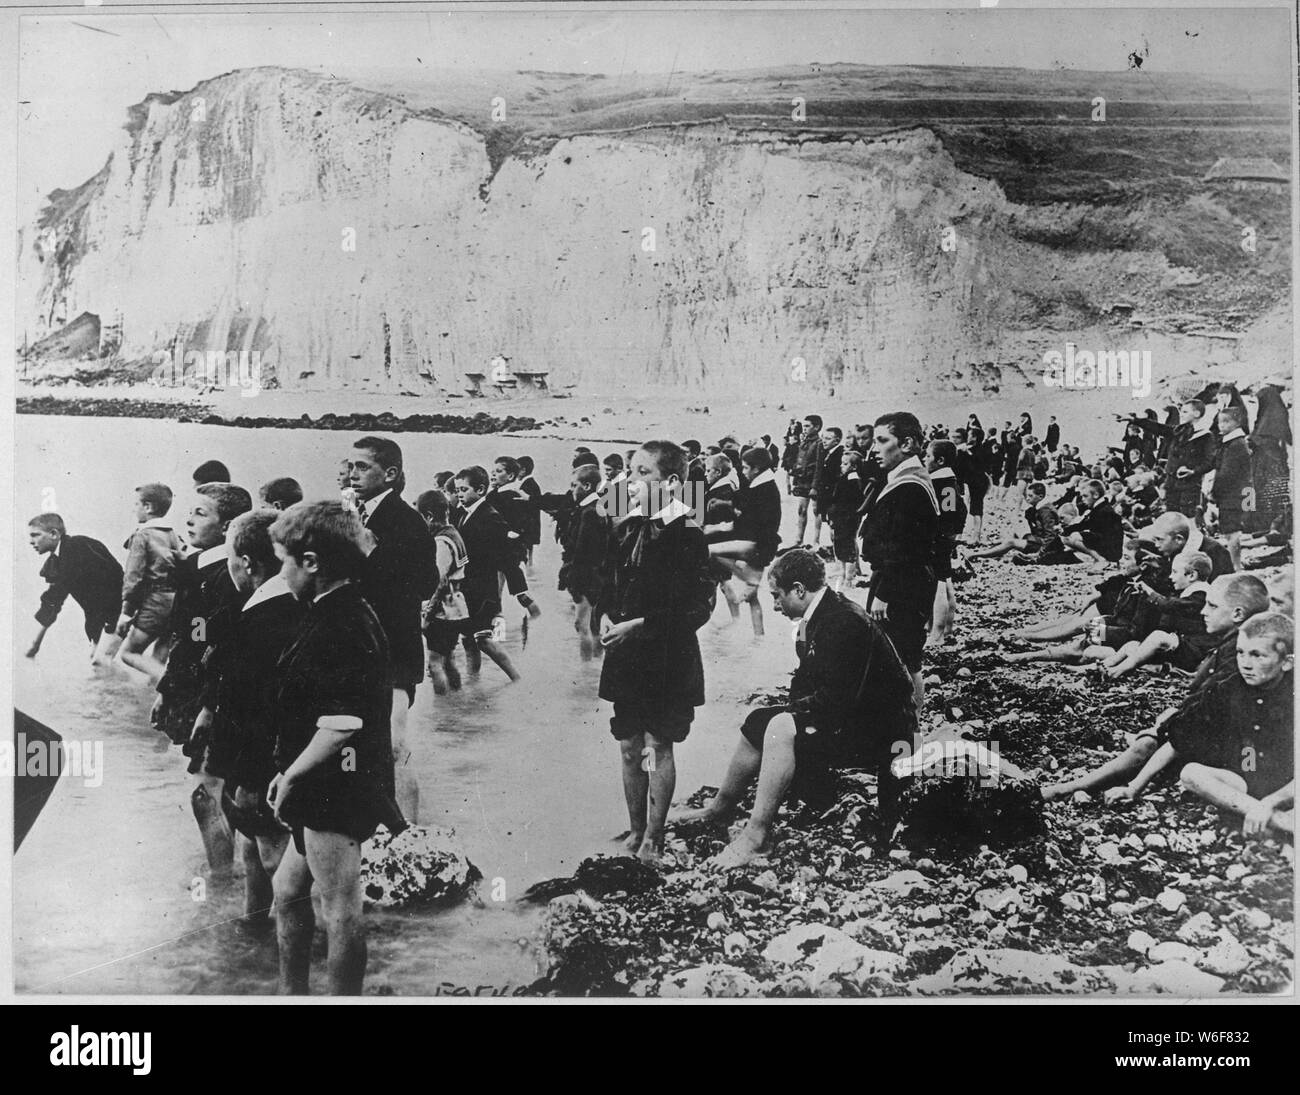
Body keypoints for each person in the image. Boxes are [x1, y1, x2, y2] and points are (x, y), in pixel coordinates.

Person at [668, 549, 916, 865]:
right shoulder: (820, 615)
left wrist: (789, 723)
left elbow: (835, 702)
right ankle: (719, 810)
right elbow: (809, 688)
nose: (774, 605)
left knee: (781, 727)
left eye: (777, 596)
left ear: (799, 590)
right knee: (758, 720)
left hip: (885, 734)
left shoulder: (843, 622)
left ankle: (756, 836)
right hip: (858, 717)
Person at [268, 501, 406, 995]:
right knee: (286, 890)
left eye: (284, 560)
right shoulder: (336, 609)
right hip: (324, 777)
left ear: (312, 562)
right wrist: (288, 766)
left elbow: (342, 724)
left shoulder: (340, 623)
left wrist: (292, 776)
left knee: (340, 907)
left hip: (336, 785)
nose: (280, 572)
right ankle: (292, 992)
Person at [1040, 573, 1271, 801]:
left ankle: (1073, 787)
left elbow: (1212, 710)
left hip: (1229, 749)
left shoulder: (1238, 654)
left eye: (1212, 606)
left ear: (1238, 613)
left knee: (1147, 745)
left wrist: (1172, 725)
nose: (1203, 611)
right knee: (1088, 637)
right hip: (1219, 738)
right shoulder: (1233, 644)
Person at [597, 441, 715, 864]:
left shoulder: (688, 533)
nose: (631, 482)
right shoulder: (625, 527)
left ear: (672, 483)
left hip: (668, 657)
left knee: (656, 745)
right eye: (631, 472)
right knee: (628, 744)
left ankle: (656, 835)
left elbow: (699, 610)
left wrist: (641, 625)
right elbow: (610, 587)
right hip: (627, 655)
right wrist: (606, 616)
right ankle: (633, 829)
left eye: (643, 473)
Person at [1104, 614, 1293, 838]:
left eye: (1257, 655)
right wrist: (1134, 788)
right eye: (1240, 652)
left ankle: (1263, 818)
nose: (1245, 663)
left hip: (1288, 786)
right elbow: (1179, 740)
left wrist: (1272, 801)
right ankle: (1280, 822)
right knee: (1191, 773)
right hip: (1244, 780)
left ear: (1287, 662)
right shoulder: (1227, 688)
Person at [201, 510, 302, 923]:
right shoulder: (288, 603)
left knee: (272, 852)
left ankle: (294, 938)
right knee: (252, 843)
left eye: (229, 560)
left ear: (246, 563)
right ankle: (254, 922)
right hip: (278, 753)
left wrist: (236, 771)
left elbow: (253, 706)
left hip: (264, 760)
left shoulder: (263, 618)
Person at [348, 437, 438, 824]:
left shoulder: (405, 519)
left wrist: (370, 549)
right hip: (362, 649)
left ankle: (412, 840)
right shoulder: (360, 514)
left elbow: (424, 583)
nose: (353, 473)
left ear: (391, 474)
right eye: (350, 465)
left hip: (394, 651)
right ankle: (383, 833)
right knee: (366, 746)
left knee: (394, 746)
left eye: (362, 466)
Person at [858, 412, 939, 708]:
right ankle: (903, 726)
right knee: (899, 656)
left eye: (882, 441)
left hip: (900, 584)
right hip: (899, 579)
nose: (874, 449)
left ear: (906, 443)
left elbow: (906, 548)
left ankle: (911, 729)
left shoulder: (910, 486)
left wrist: (883, 593)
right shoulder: (904, 478)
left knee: (903, 659)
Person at [453, 466, 523, 682]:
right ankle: (473, 679)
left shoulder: (490, 516)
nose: (459, 494)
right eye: (457, 490)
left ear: (481, 490)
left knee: (483, 639)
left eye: (464, 489)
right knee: (468, 638)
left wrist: (516, 587)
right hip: (469, 587)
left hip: (483, 588)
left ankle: (517, 678)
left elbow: (505, 553)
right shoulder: (465, 513)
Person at [26, 513, 124, 666]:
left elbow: (115, 577)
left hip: (117, 613)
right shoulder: (56, 561)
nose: (31, 541)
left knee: (100, 662)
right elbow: (52, 602)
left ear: (53, 534)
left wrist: (112, 622)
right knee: (97, 662)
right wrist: (34, 645)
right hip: (98, 619)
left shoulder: (79, 545)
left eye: (35, 535)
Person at [1097, 551, 1214, 678]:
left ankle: (1117, 671)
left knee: (1158, 637)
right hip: (1183, 647)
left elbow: (1170, 605)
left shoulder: (1202, 596)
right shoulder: (1187, 593)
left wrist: (1149, 592)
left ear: (1191, 575)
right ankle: (1102, 666)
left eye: (1174, 572)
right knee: (1132, 645)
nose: (1170, 577)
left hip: (1195, 651)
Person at [709, 446, 782, 637]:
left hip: (758, 546)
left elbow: (747, 519)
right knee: (753, 600)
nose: (743, 471)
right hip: (763, 545)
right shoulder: (764, 485)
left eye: (745, 468)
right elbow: (747, 507)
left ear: (756, 469)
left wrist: (718, 528)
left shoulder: (763, 488)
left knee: (710, 551)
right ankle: (759, 636)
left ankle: (750, 580)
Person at [116, 483, 182, 684]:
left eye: (136, 504)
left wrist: (125, 614)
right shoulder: (172, 534)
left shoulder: (142, 535)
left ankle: (175, 683)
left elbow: (133, 578)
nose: (132, 508)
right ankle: (158, 707)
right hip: (175, 602)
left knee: (128, 654)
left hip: (155, 603)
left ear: (148, 507)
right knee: (158, 659)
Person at [416, 489, 470, 694]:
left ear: (429, 516)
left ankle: (442, 715)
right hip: (457, 607)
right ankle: (456, 704)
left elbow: (438, 582)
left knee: (434, 664)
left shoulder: (441, 542)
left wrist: (427, 615)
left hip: (443, 610)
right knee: (448, 660)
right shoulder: (454, 533)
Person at [557, 465, 610, 658]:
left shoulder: (589, 512)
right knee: (594, 626)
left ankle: (586, 669)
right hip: (596, 576)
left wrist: (572, 579)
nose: (571, 490)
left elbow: (582, 552)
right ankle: (595, 668)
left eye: (574, 485)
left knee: (582, 625)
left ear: (587, 486)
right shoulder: (596, 507)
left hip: (586, 578)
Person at [926, 439, 966, 645]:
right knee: (946, 582)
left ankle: (938, 633)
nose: (925, 460)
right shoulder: (950, 481)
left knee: (939, 585)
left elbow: (949, 513)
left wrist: (942, 535)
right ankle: (947, 629)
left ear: (940, 460)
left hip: (940, 539)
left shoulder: (944, 483)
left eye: (928, 456)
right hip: (946, 538)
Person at [970, 481, 1058, 560]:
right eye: (1027, 495)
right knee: (1015, 533)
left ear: (1040, 497)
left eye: (1031, 496)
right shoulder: (1037, 509)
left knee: (1011, 542)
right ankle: (998, 548)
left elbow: (1051, 536)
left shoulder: (1045, 511)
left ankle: (977, 554)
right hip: (1039, 540)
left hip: (1044, 546)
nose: (1027, 498)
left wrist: (1039, 554)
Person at [1210, 406, 1251, 572]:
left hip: (1232, 495)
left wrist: (1214, 492)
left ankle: (1235, 566)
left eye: (1226, 421)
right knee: (1230, 531)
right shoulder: (1235, 442)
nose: (1222, 425)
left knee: (1231, 532)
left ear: (1237, 422)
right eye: (1220, 422)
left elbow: (1226, 474)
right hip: (1236, 493)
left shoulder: (1235, 444)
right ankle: (1235, 564)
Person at [1164, 400, 1218, 517]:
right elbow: (1158, 428)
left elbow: (1210, 462)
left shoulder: (1205, 436)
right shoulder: (1180, 430)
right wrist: (1135, 420)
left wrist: (1193, 471)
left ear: (1196, 414)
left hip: (1189, 486)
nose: (1181, 414)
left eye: (1184, 411)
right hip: (1171, 484)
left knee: (1187, 518)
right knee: (1171, 518)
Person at [1249, 385, 1291, 534]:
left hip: (1269, 461)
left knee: (1268, 492)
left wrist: (1253, 441)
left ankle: (1268, 526)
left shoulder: (1273, 416)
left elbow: (1266, 439)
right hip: (1265, 460)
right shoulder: (1271, 414)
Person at [828, 451, 865, 590]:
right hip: (841, 518)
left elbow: (852, 501)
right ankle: (843, 575)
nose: (841, 466)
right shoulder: (846, 477)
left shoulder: (852, 479)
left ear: (854, 466)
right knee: (841, 545)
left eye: (845, 463)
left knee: (847, 546)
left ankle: (849, 577)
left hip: (847, 518)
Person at [808, 426, 844, 548]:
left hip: (834, 496)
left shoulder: (840, 455)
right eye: (823, 438)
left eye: (828, 439)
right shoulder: (826, 453)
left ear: (837, 441)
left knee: (834, 525)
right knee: (827, 520)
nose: (824, 441)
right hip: (825, 494)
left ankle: (837, 552)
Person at [790, 415, 823, 545]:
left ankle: (816, 540)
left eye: (808, 426)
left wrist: (815, 486)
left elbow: (819, 466)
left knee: (816, 511)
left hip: (813, 481)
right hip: (803, 480)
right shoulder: (804, 442)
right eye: (803, 426)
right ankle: (799, 539)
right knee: (801, 510)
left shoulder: (819, 443)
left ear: (817, 427)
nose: (804, 429)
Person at [515, 455, 543, 566]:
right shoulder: (532, 484)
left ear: (523, 470)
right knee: (529, 556)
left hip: (527, 528)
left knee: (526, 557)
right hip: (531, 527)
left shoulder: (527, 486)